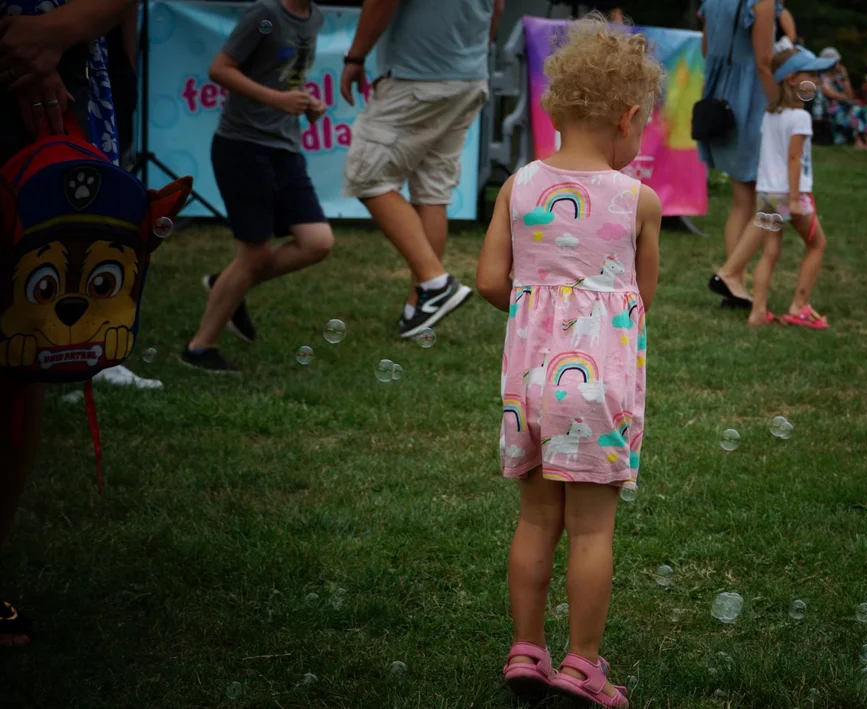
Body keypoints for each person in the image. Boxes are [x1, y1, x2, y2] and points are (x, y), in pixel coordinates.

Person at [475, 16, 662, 706]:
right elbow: (643, 295)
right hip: (598, 385)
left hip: (527, 381)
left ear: (556, 107)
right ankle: (583, 664)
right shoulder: (638, 200)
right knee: (591, 526)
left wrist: (538, 314)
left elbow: (491, 281)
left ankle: (526, 649)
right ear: (629, 115)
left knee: (534, 518)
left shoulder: (517, 187)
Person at [0, 0, 140, 648]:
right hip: (25, 82)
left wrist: (57, 33)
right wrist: (8, 48)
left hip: (53, 103)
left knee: (23, 350)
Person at [183, 0, 335, 372]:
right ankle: (200, 348)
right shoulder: (264, 15)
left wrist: (306, 104)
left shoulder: (314, 17)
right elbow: (220, 69)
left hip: (285, 147)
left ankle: (227, 284)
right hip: (243, 147)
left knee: (317, 242)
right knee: (253, 253)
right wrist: (276, 100)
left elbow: (284, 76)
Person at [340, 0, 503, 338]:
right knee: (432, 189)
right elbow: (497, 9)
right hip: (470, 76)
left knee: (366, 176)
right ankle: (419, 308)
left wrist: (355, 57)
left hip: (418, 76)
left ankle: (434, 283)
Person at [707, 46, 834, 329]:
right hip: (789, 195)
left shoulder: (770, 115)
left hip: (768, 192)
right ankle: (799, 307)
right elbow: (793, 159)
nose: (816, 80)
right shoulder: (800, 117)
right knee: (817, 245)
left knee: (771, 252)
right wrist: (795, 199)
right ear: (792, 80)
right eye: (811, 74)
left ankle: (758, 312)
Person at [697, 0, 779, 308]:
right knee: (771, 194)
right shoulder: (763, 3)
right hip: (753, 101)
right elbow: (764, 60)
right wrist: (782, 105)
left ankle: (737, 284)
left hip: (720, 96)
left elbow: (707, 50)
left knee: (742, 199)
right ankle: (733, 275)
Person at [817, 48, 867, 148]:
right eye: (836, 61)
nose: (838, 63)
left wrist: (845, 76)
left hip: (845, 107)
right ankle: (858, 139)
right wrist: (846, 97)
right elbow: (832, 95)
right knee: (855, 110)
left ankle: (865, 138)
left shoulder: (839, 78)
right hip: (831, 109)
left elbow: (850, 95)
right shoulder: (822, 79)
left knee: (861, 109)